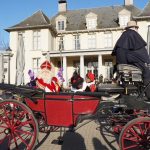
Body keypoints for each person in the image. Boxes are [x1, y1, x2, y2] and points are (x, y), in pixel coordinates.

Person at [112, 20, 150, 102]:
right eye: (137, 28)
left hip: (123, 63)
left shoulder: (123, 36)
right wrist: (147, 62)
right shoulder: (134, 34)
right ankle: (148, 95)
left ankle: (139, 91)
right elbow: (142, 54)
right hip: (130, 61)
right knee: (147, 72)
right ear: (135, 28)